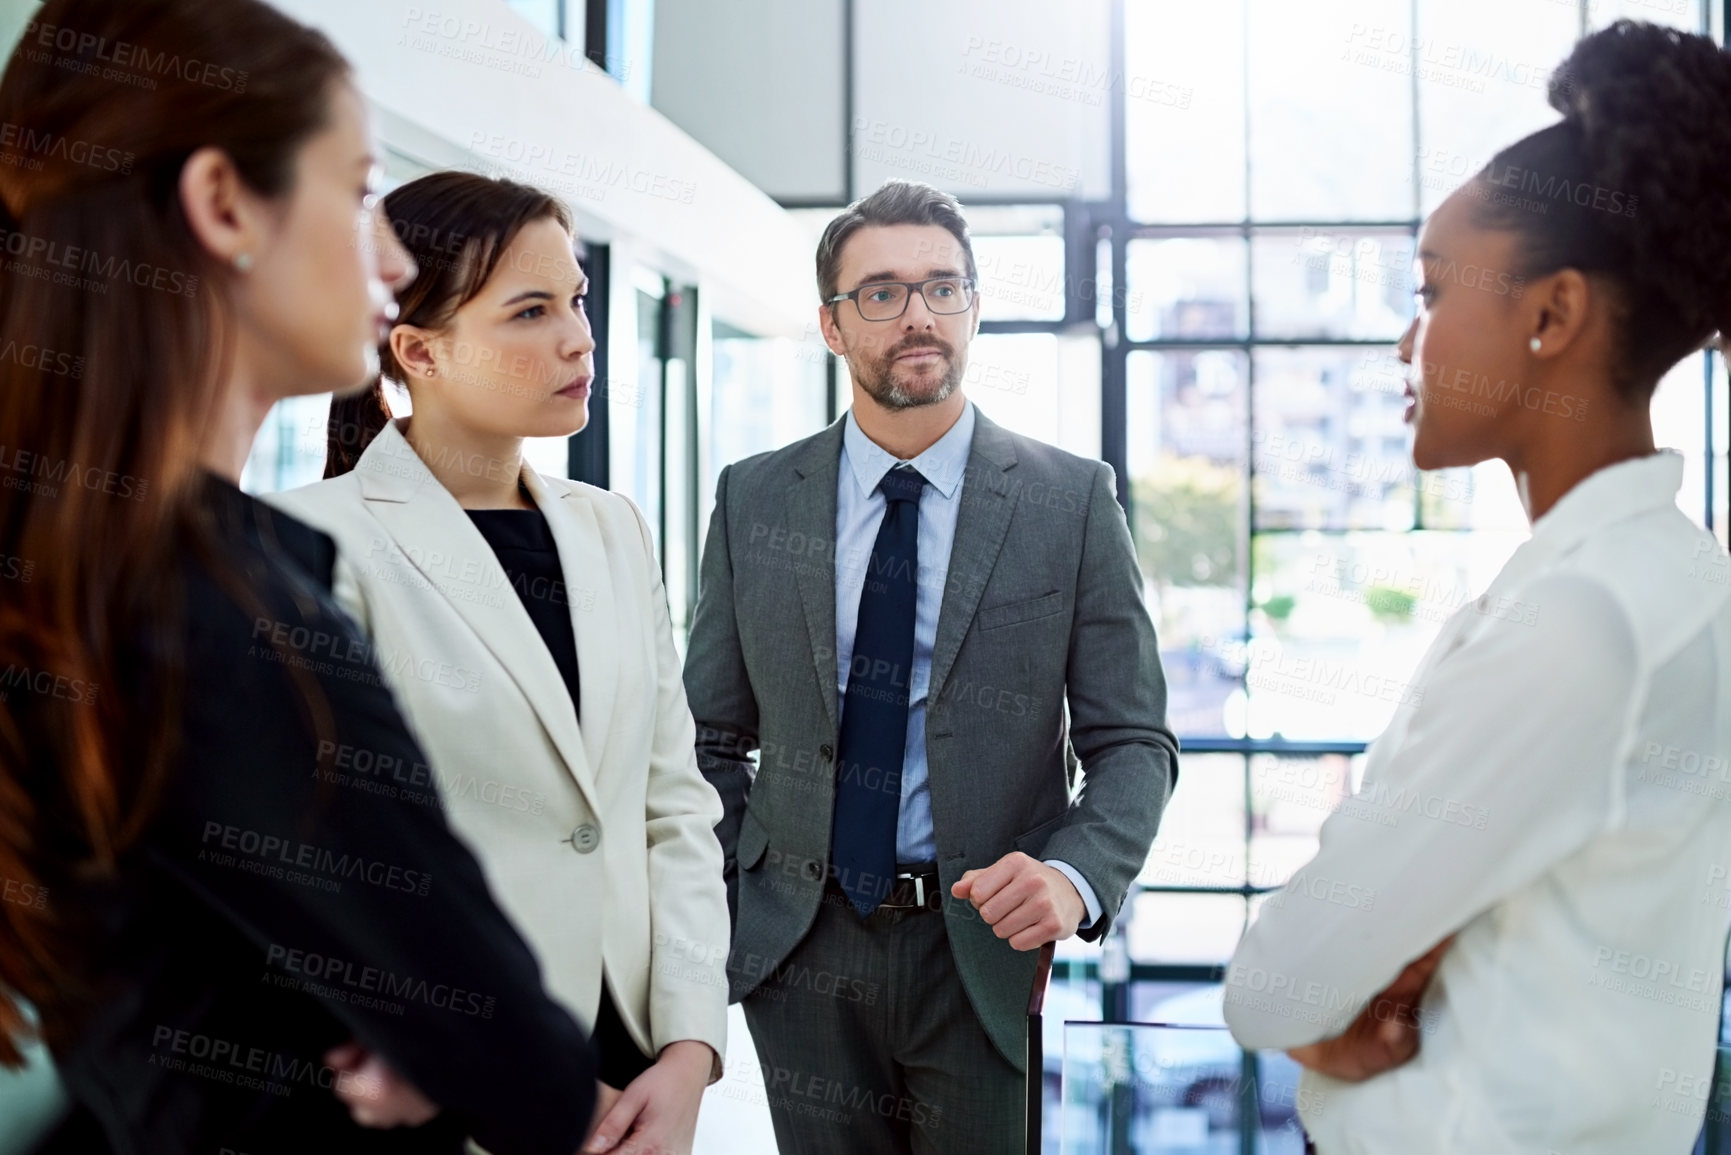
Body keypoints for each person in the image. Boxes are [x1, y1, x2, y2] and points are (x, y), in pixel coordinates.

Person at [0, 0, 603, 1151]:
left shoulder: (84, 568)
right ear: (225, 204)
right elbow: (528, 1068)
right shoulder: (218, 615)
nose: (393, 254)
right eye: (363, 187)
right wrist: (435, 1051)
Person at [1224, 20, 1731, 1155]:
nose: (1407, 342)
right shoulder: (1671, 572)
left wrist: (1326, 995)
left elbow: (1271, 988)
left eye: (1433, 290)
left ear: (1551, 315)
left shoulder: (1581, 621)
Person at [682, 178, 1179, 1153]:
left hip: (982, 953)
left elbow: (1133, 741)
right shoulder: (754, 501)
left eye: (944, 288)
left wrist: (1072, 877)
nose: (918, 314)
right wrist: (745, 904)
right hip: (802, 952)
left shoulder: (1068, 501)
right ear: (832, 326)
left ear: (975, 308)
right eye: (881, 292)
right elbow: (708, 738)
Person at [265, 170, 728, 1155]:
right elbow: (329, 864)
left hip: (645, 1064)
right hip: (455, 1076)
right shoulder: (315, 542)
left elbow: (672, 807)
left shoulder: (611, 528)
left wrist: (691, 1051)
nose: (579, 337)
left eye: (577, 302)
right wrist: (529, 1077)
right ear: (419, 350)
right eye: (530, 311)